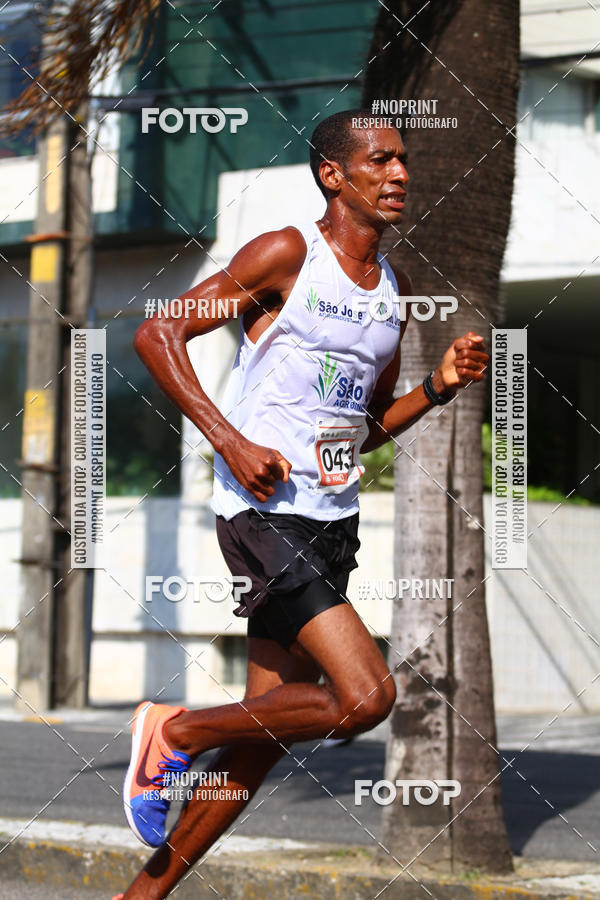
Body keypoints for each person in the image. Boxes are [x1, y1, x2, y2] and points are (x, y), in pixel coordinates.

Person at [115, 109, 488, 899]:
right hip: (264, 514)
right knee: (365, 698)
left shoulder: (394, 291)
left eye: (403, 160)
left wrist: (437, 387)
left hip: (330, 523)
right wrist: (230, 442)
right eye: (381, 160)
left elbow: (364, 429)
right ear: (333, 175)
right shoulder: (287, 253)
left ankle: (140, 896)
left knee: (262, 736)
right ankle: (174, 729)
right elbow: (158, 334)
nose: (400, 174)